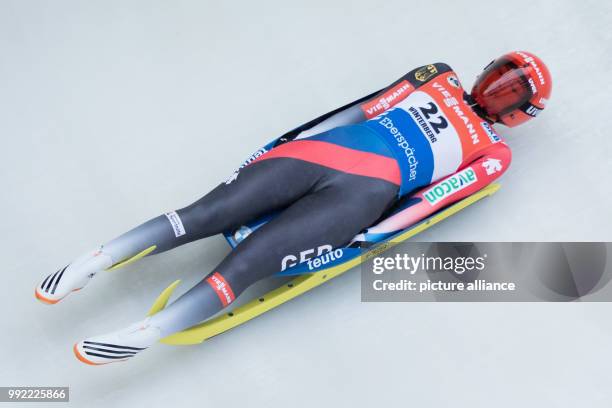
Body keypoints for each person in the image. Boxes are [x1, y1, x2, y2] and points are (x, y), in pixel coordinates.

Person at [35, 51, 552, 365]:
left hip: (346, 178)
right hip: (342, 170)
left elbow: (423, 193)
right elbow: (366, 120)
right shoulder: (444, 84)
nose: (499, 91)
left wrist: (362, 233)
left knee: (237, 243)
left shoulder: (483, 139)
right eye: (503, 77)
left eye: (512, 90)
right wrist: (290, 149)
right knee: (221, 229)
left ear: (519, 112)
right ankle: (112, 279)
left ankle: (135, 311)